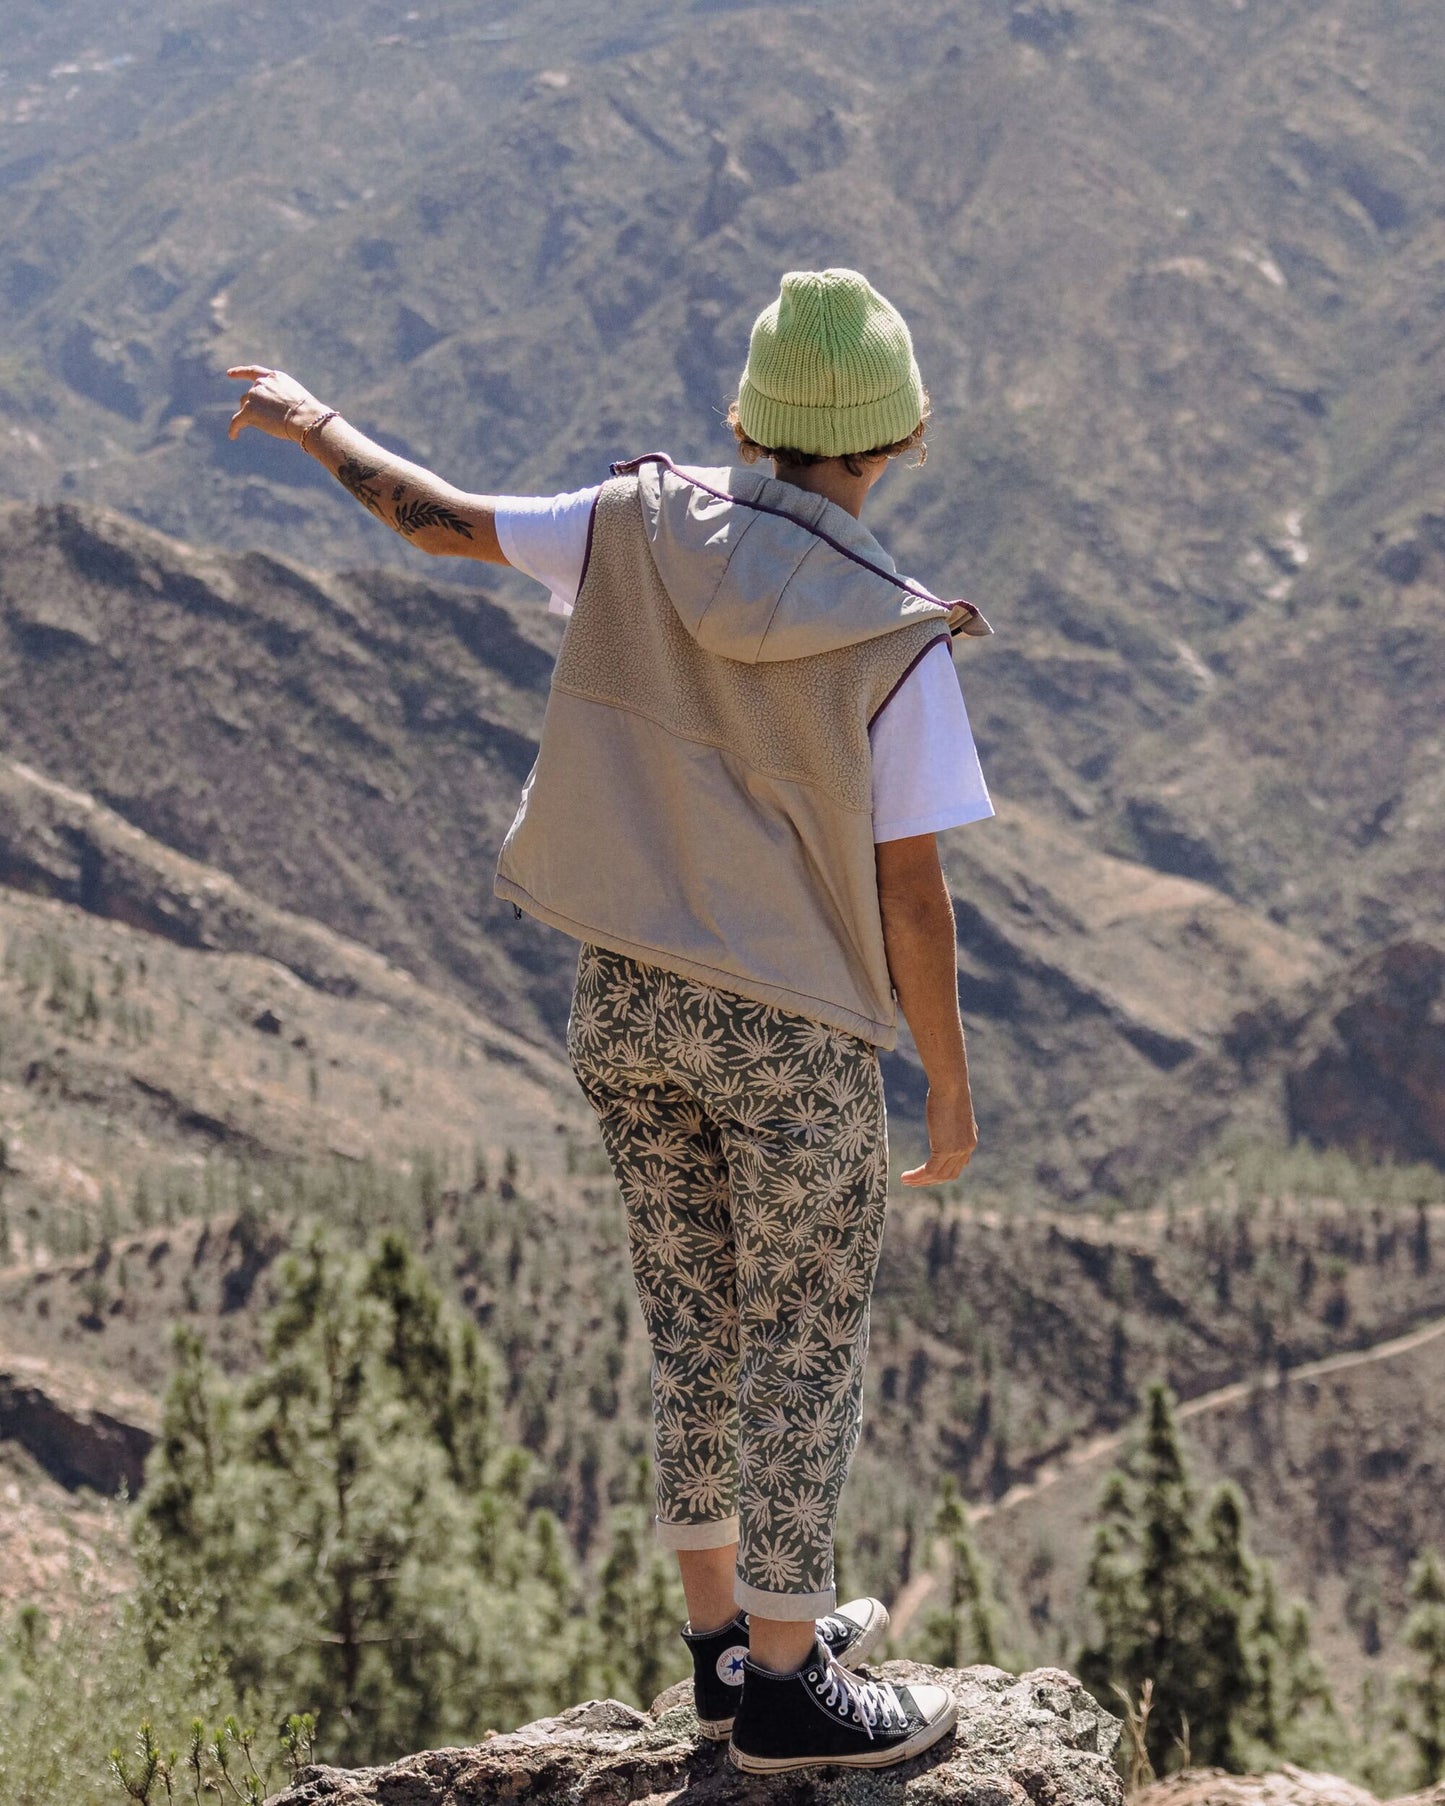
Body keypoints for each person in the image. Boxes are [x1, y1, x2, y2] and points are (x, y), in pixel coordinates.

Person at [227, 266, 993, 1773]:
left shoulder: (631, 525)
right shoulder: (891, 638)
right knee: (800, 1341)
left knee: (692, 1317)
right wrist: (948, 1085)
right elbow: (912, 897)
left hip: (625, 1001)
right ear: (901, 437)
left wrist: (314, 423)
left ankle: (724, 1653)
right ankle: (790, 1690)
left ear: (747, 420)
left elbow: (436, 520)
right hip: (786, 1035)